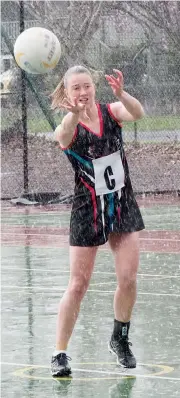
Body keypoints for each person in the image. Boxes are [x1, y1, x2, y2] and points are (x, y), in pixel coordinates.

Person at [50, 65, 145, 377]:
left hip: (121, 204)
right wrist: (74, 114)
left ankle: (120, 338)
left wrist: (122, 94)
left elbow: (138, 113)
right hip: (87, 210)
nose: (82, 92)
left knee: (128, 278)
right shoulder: (69, 125)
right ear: (66, 93)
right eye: (75, 88)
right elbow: (62, 134)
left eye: (86, 86)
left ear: (94, 88)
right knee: (78, 284)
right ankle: (60, 352)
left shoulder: (111, 111)